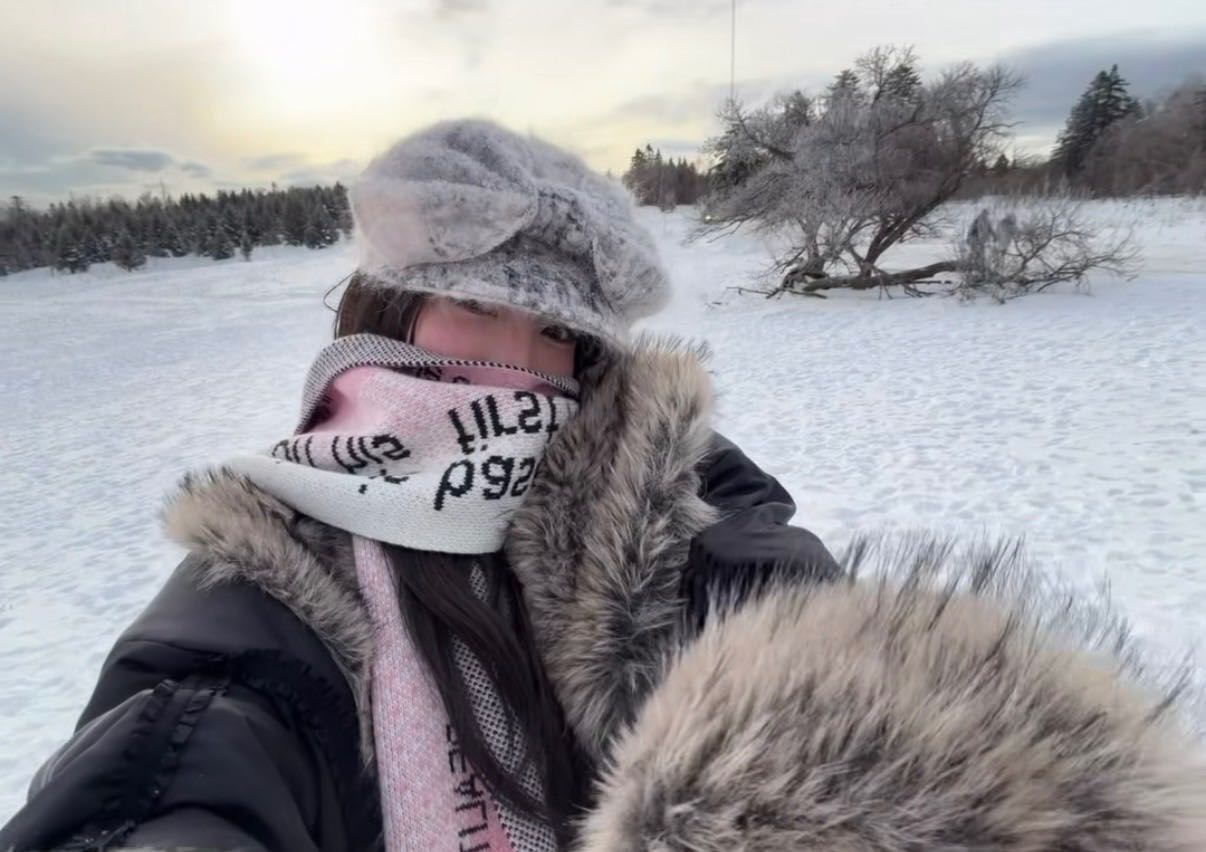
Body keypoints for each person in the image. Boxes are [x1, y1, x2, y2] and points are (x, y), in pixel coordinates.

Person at [0, 119, 842, 851]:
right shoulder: (276, 556)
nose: (516, 363)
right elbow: (190, 746)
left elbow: (801, 653)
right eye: (473, 303)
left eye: (554, 329)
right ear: (390, 310)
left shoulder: (664, 502)